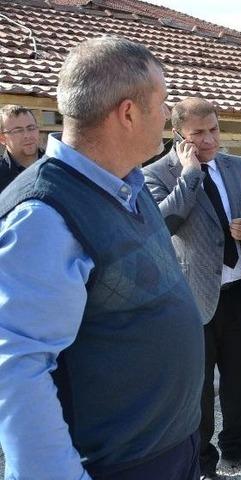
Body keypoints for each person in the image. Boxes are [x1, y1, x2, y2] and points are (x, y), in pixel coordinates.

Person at [0, 36, 203, 479]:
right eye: (164, 101)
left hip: (171, 447)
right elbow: (15, 371)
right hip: (118, 465)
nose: (169, 115)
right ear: (127, 112)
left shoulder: (125, 181)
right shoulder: (42, 215)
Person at [144, 97, 241, 479]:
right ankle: (201, 461)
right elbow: (165, 223)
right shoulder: (155, 173)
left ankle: (238, 448)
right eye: (198, 133)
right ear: (178, 134)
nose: (210, 139)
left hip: (238, 289)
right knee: (198, 387)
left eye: (213, 129)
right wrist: (190, 173)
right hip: (191, 296)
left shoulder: (237, 165)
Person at [0, 104, 43, 192]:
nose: (27, 135)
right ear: (2, 139)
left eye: (31, 128)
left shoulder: (57, 167)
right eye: (18, 131)